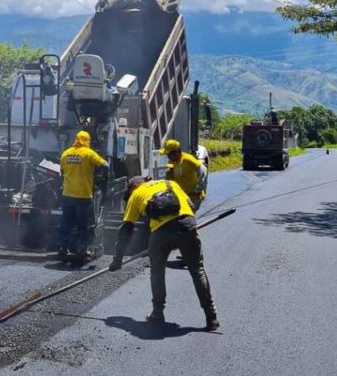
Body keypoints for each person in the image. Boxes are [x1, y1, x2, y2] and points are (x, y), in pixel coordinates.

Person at [109, 176, 219, 331]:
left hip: (161, 232)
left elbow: (126, 230)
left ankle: (158, 313)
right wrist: (181, 231)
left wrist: (118, 259)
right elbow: (191, 206)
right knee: (197, 270)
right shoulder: (170, 183)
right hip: (187, 225)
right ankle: (211, 316)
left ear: (133, 187)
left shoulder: (136, 195)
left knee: (157, 271)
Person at [59, 130, 108, 258]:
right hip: (83, 195)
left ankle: (63, 247)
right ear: (87, 141)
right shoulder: (89, 153)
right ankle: (82, 249)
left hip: (67, 194)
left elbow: (62, 171)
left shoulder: (65, 154)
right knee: (83, 224)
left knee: (66, 222)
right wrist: (100, 177)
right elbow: (106, 165)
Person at [160, 139, 208, 211]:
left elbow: (203, 170)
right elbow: (169, 174)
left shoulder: (188, 159)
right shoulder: (171, 161)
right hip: (182, 195)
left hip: (193, 197)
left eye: (169, 154)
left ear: (176, 152)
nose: (168, 157)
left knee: (187, 216)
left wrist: (198, 188)